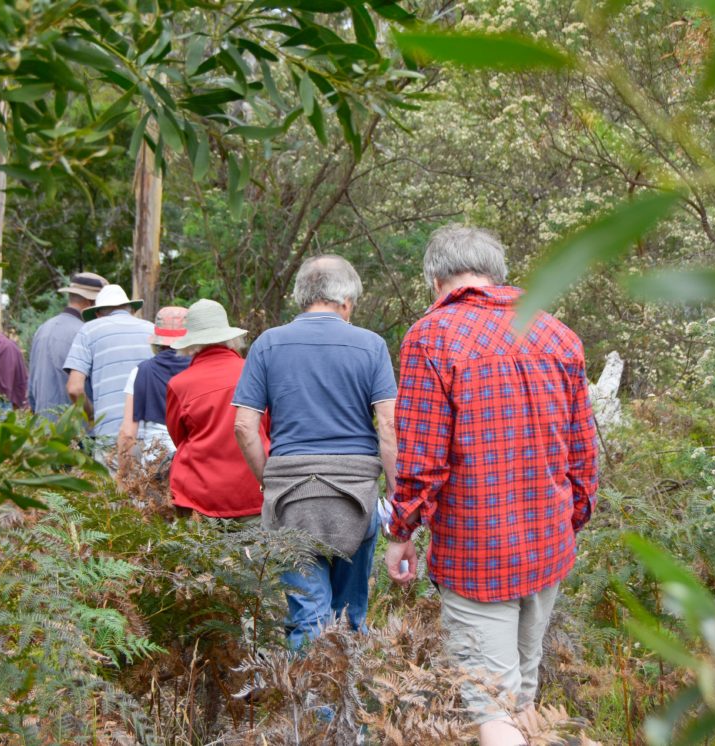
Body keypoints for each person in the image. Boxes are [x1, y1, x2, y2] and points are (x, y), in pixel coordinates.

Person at [383, 226, 599, 746]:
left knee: (489, 704)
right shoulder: (557, 333)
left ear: (434, 279)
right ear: (498, 275)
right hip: (548, 547)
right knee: (521, 693)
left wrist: (400, 531)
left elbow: (422, 460)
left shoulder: (431, 338)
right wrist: (568, 522)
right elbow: (585, 455)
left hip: (476, 551)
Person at [233, 255, 397, 650]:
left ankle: (308, 710)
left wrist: (268, 480)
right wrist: (396, 495)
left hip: (293, 498)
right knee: (349, 616)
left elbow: (243, 426)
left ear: (303, 297)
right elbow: (389, 427)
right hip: (356, 496)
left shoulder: (268, 344)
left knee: (308, 616)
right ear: (345, 301)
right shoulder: (371, 346)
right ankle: (343, 708)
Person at [166, 299, 268, 519]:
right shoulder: (255, 371)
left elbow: (178, 437)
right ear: (230, 336)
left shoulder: (179, 384)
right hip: (255, 489)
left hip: (199, 497)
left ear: (190, 342)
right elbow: (271, 428)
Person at [63, 284, 153, 464]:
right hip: (153, 437)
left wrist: (91, 415)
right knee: (150, 492)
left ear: (97, 313)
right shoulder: (151, 330)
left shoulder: (89, 330)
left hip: (110, 436)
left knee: (114, 492)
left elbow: (74, 388)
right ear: (132, 310)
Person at [116, 306, 191, 475]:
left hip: (156, 461)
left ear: (158, 340)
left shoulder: (141, 371)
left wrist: (123, 476)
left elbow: (128, 433)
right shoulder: (201, 368)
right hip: (193, 460)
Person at [28, 272, 108, 422]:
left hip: (42, 431)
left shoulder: (42, 329)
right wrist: (91, 417)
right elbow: (82, 389)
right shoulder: (86, 333)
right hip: (76, 432)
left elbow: (32, 388)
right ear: (91, 302)